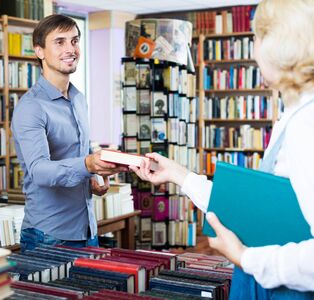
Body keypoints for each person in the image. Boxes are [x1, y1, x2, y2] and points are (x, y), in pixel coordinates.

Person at [131, 0, 314, 297]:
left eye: (255, 39)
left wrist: (244, 257)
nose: (254, 52)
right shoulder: (294, 114)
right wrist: (179, 175)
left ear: (276, 45)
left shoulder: (307, 124)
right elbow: (258, 211)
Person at [11, 14, 125, 252]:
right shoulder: (31, 107)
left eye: (74, 41)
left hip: (87, 228)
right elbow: (39, 171)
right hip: (49, 235)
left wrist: (94, 178)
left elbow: (77, 153)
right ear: (39, 51)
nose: (70, 49)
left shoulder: (78, 99)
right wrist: (88, 165)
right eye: (60, 42)